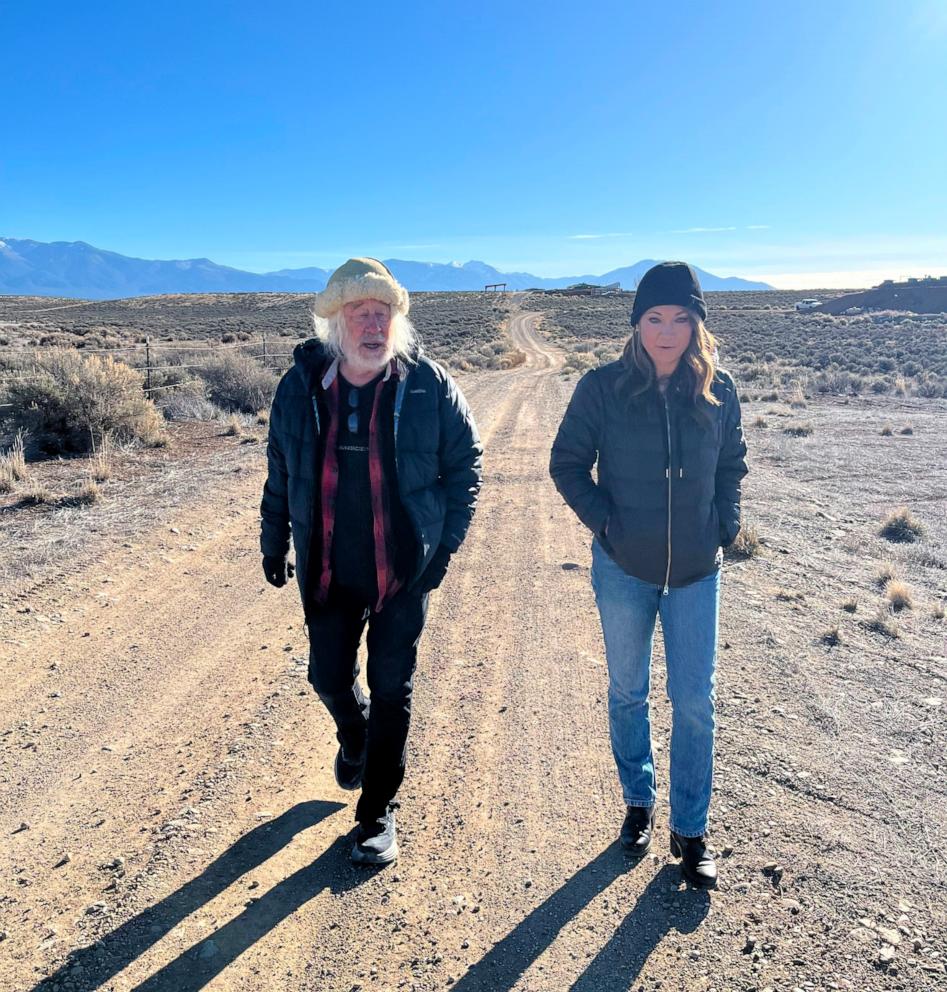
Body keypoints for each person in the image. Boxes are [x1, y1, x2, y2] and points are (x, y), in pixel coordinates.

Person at [260, 258, 482, 865]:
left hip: (401, 570)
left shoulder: (426, 385)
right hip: (330, 567)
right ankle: (353, 734)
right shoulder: (300, 387)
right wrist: (272, 539)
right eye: (360, 314)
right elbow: (281, 470)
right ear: (335, 323)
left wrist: (442, 553)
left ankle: (376, 811)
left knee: (392, 687)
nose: (372, 325)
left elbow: (467, 469)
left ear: (397, 323)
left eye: (382, 314)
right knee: (327, 677)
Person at [549, 261, 747, 888]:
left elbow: (732, 464)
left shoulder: (721, 392)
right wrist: (606, 524)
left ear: (697, 326)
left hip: (695, 570)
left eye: (681, 319)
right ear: (636, 324)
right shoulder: (602, 388)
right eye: (655, 318)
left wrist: (726, 522)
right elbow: (567, 464)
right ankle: (638, 801)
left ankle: (691, 831)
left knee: (694, 705)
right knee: (628, 691)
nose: (667, 332)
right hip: (624, 569)